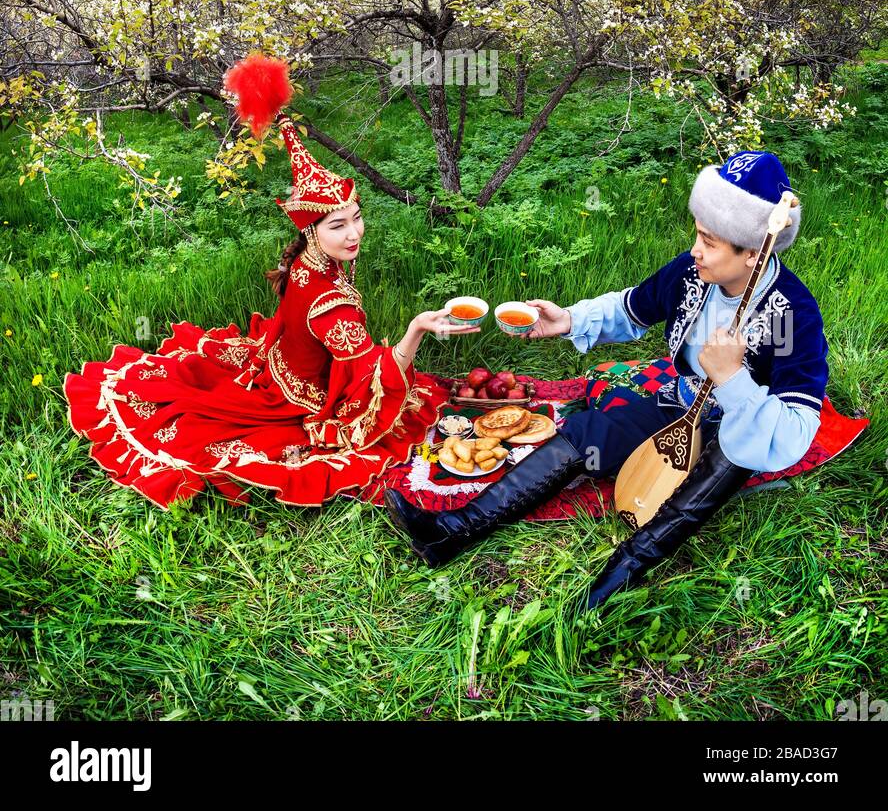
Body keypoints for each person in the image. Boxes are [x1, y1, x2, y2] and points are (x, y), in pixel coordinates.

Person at [384, 150, 828, 610]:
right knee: (588, 431)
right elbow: (634, 305)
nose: (695, 249)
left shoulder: (791, 314)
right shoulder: (693, 273)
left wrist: (733, 379)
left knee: (722, 463)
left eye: (709, 241)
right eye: (698, 234)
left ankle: (619, 575)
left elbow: (797, 426)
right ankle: (455, 530)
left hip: (742, 427)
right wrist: (569, 320)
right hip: (681, 402)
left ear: (753, 252)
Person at [64, 112, 479, 509]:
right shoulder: (333, 310)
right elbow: (370, 380)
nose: (354, 233)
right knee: (407, 416)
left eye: (356, 217)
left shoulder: (303, 260)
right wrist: (416, 331)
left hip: (282, 363)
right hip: (303, 398)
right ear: (310, 230)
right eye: (338, 225)